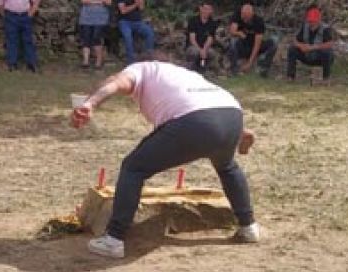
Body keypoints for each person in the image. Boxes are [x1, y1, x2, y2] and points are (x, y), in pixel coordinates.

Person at [69, 57, 260, 259]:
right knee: (227, 167)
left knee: (133, 168)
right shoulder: (181, 74)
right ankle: (248, 226)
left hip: (194, 120)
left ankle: (114, 239)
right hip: (231, 115)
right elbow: (207, 109)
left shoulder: (140, 69)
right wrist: (237, 132)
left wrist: (90, 103)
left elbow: (115, 83)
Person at [286, 5, 335, 82]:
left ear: (318, 20)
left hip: (319, 57)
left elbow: (330, 44)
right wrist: (301, 46)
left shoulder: (326, 29)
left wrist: (312, 47)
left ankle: (326, 78)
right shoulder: (305, 26)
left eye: (313, 21)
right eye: (310, 21)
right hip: (306, 55)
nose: (311, 23)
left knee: (327, 52)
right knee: (292, 49)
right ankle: (291, 77)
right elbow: (295, 40)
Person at [228, 3, 277, 77]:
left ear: (252, 14)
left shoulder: (258, 21)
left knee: (274, 42)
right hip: (243, 45)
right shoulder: (238, 15)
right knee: (233, 41)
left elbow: (257, 45)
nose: (243, 18)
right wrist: (239, 33)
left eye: (246, 16)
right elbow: (232, 31)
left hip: (254, 45)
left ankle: (263, 68)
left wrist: (249, 63)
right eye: (243, 15)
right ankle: (234, 69)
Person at [0, 0, 40, 72]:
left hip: (25, 15)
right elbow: (0, 2)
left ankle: (31, 63)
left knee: (28, 40)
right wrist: (4, 15)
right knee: (12, 39)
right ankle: (12, 63)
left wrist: (31, 13)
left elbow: (36, 1)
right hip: (11, 15)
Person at [116, 0, 155, 64]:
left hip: (138, 22)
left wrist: (140, 3)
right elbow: (123, 11)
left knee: (149, 33)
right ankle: (131, 61)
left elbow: (141, 8)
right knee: (128, 38)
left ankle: (148, 57)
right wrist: (135, 5)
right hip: (125, 22)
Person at [185, 0, 218, 73]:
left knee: (211, 53)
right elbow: (192, 39)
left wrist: (204, 49)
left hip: (205, 47)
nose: (206, 11)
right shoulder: (193, 21)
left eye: (209, 9)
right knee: (195, 52)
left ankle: (203, 69)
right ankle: (190, 69)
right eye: (205, 9)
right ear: (200, 8)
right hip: (193, 46)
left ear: (211, 11)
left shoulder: (212, 23)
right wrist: (200, 50)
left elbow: (210, 38)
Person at [79, 0, 112, 69]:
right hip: (86, 19)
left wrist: (91, 2)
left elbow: (109, 2)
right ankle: (85, 62)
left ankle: (98, 61)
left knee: (97, 39)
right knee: (86, 40)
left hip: (101, 20)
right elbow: (83, 1)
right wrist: (99, 2)